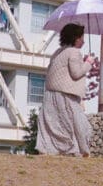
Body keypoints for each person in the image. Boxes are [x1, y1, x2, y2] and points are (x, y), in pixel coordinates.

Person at [37, 24, 95, 156]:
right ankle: (76, 150)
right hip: (66, 96)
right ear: (76, 38)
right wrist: (88, 63)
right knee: (77, 125)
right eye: (82, 37)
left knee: (54, 125)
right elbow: (76, 73)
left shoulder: (58, 52)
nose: (83, 40)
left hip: (50, 94)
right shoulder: (74, 52)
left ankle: (50, 150)